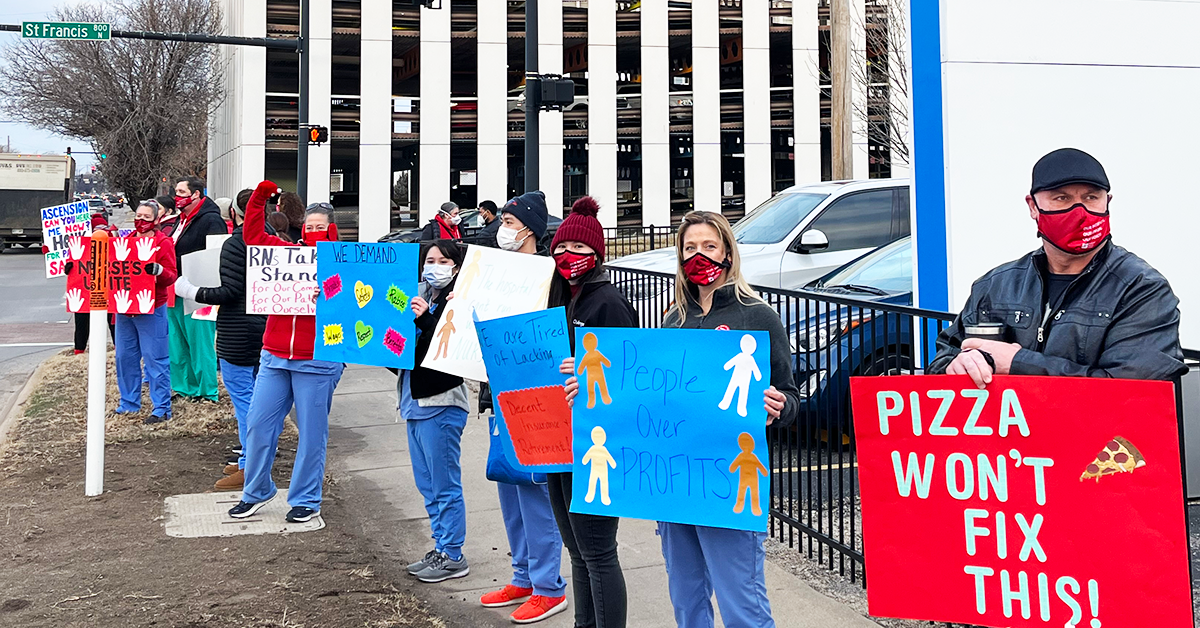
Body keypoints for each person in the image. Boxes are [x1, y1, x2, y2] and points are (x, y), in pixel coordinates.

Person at [583, 210, 797, 628]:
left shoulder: (757, 317)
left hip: (726, 486)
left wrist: (779, 406)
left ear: (728, 254)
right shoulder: (672, 321)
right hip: (674, 486)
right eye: (690, 248)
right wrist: (590, 396)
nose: (699, 256)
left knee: (743, 605)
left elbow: (791, 396)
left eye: (709, 247)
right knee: (686, 598)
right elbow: (644, 397)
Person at [928, 148, 1187, 384]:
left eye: (1091, 197)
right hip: (1010, 434)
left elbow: (1133, 389)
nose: (1079, 211)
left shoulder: (1141, 289)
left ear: (1107, 202)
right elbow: (943, 359)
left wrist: (1018, 363)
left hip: (1095, 437)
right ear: (1033, 207)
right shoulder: (995, 286)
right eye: (1061, 198)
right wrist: (955, 364)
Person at [229, 184, 344, 524]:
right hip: (275, 354)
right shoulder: (284, 253)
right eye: (308, 226)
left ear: (332, 229)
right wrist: (260, 197)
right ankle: (256, 490)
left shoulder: (343, 264)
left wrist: (328, 254)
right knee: (258, 425)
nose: (312, 232)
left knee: (311, 434)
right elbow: (252, 235)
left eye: (320, 227)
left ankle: (307, 498)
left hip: (317, 358)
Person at [478, 189, 569, 624]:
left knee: (535, 491)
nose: (503, 231)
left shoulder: (552, 277)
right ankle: (523, 574)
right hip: (501, 393)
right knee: (509, 485)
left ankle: (549, 586)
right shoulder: (498, 272)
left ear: (530, 230)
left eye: (510, 224)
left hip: (538, 398)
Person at [548, 196, 638, 628]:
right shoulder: (562, 298)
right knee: (578, 552)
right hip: (557, 439)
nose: (570, 257)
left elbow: (630, 375)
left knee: (598, 552)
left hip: (595, 443)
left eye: (581, 250)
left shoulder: (608, 304)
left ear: (597, 255)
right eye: (563, 249)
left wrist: (585, 378)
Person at [174, 189, 267, 490]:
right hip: (266, 333)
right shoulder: (278, 242)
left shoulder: (236, 244)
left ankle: (251, 466)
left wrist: (190, 290)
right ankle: (247, 460)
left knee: (246, 405)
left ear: (234, 215)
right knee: (255, 401)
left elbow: (228, 292)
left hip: (238, 336)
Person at [400, 240, 472, 584]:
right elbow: (408, 357)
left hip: (442, 402)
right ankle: (441, 546)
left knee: (444, 485)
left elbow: (451, 348)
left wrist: (425, 318)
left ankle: (453, 553)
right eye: (430, 259)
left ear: (455, 267)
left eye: (443, 260)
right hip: (414, 402)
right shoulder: (421, 296)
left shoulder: (455, 301)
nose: (436, 265)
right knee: (427, 484)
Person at [114, 200, 179, 424]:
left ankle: (162, 408)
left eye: (146, 217)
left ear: (156, 220)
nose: (140, 221)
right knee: (125, 357)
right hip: (125, 308)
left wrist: (159, 271)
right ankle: (129, 402)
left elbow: (171, 275)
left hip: (152, 308)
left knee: (155, 358)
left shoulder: (164, 243)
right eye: (138, 216)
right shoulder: (126, 242)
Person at [168, 176, 226, 402]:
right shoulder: (180, 220)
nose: (177, 196)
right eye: (176, 191)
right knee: (178, 341)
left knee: (200, 341)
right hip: (175, 287)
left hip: (199, 291)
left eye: (181, 192)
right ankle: (184, 387)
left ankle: (206, 390)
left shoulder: (211, 220)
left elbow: (215, 254)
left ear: (196, 195)